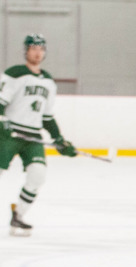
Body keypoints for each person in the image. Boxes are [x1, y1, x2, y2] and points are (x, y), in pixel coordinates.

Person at [0, 34, 77, 237]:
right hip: (9, 134)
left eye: (41, 48)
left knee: (38, 175)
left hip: (32, 137)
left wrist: (59, 139)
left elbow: (47, 116)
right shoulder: (15, 73)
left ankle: (18, 216)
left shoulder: (49, 82)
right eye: (33, 48)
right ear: (26, 51)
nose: (37, 52)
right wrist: (1, 121)